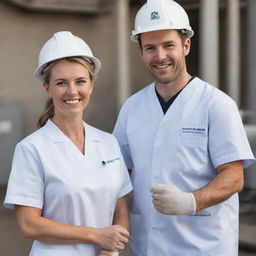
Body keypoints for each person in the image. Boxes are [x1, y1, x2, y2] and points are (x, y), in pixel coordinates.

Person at [113, 0, 255, 255]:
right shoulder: (132, 108)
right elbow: (118, 175)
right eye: (150, 48)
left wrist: (191, 201)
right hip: (148, 245)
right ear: (141, 52)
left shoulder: (217, 105)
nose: (160, 56)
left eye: (169, 46)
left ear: (186, 45)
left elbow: (234, 176)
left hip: (203, 246)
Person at [4, 31, 132, 256]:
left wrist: (109, 250)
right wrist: (96, 235)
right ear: (47, 87)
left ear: (91, 84)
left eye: (80, 81)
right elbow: (28, 224)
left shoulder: (108, 142)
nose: (72, 91)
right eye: (61, 83)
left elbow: (121, 209)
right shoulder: (31, 149)